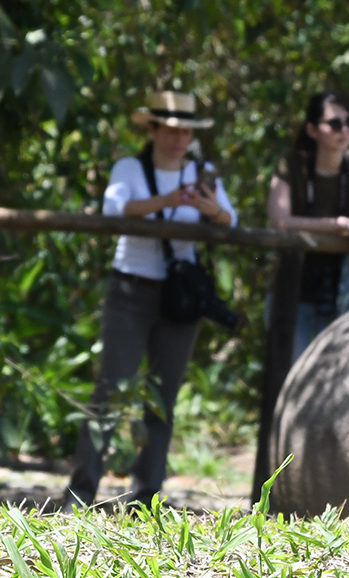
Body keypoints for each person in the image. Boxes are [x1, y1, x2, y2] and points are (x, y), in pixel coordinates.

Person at [64, 91, 238, 509]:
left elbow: (231, 220)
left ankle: (146, 499)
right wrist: (171, 200)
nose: (180, 140)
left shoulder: (204, 172)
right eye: (172, 130)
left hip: (180, 297)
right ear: (154, 129)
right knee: (110, 389)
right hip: (131, 289)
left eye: (187, 132)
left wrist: (210, 208)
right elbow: (115, 208)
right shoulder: (131, 168)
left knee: (163, 398)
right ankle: (80, 492)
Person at [267, 91, 349, 361]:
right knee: (291, 376)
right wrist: (342, 225)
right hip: (294, 289)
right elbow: (280, 220)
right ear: (312, 129)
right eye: (334, 124)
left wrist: (313, 226)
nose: (344, 130)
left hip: (345, 293)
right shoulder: (291, 164)